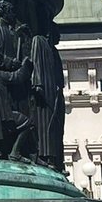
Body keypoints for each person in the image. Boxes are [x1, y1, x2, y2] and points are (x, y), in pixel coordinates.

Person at [31, 26, 66, 171]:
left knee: (55, 125)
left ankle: (56, 158)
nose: (59, 38)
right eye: (57, 34)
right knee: (45, 123)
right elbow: (35, 63)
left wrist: (59, 87)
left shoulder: (54, 51)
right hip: (44, 89)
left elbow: (59, 73)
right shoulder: (38, 41)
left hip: (55, 91)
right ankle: (45, 156)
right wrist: (37, 83)